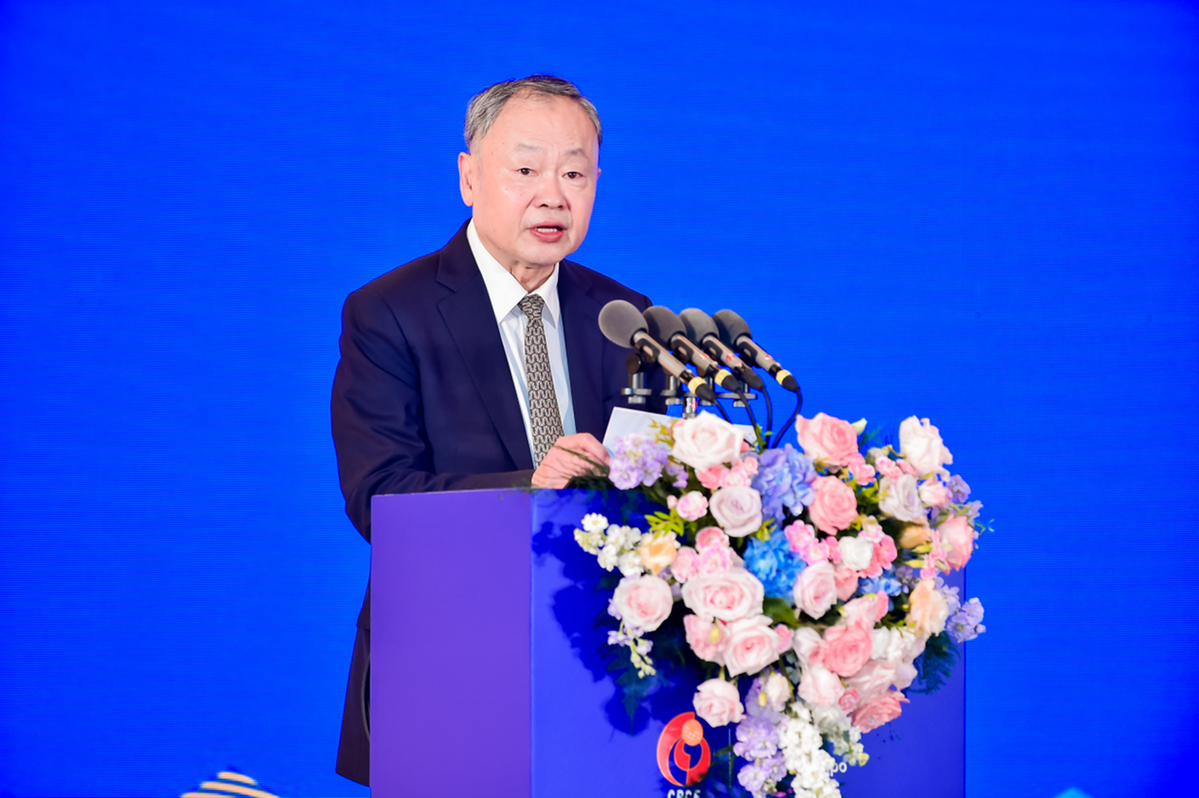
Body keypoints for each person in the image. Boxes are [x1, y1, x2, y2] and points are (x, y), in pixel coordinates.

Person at [329, 75, 657, 786]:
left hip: (602, 664)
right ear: (469, 177)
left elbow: (651, 486)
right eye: (526, 170)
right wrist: (532, 489)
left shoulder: (626, 316)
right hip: (448, 659)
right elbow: (379, 495)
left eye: (575, 174)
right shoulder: (390, 312)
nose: (553, 195)